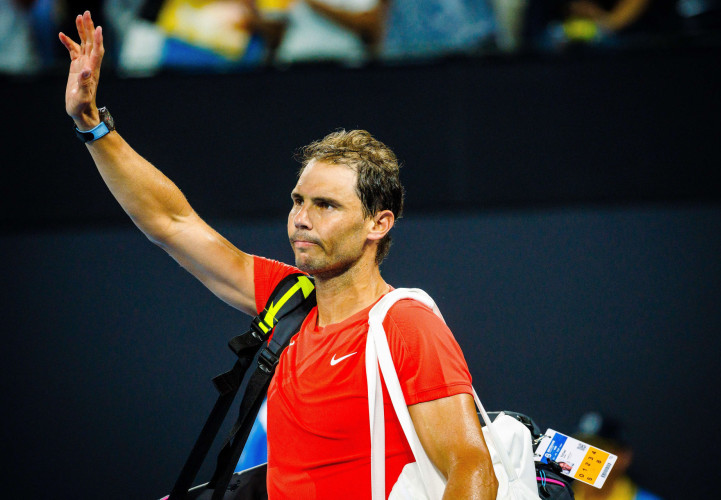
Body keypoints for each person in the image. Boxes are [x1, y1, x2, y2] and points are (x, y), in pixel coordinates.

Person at [58, 11, 498, 499]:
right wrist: (93, 126)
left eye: (326, 205)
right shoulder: (287, 298)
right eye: (298, 201)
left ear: (379, 223)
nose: (301, 219)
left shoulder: (405, 325)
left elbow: (472, 471)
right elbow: (172, 223)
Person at [572, 412, 663, 500]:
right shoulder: (561, 494)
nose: (586, 457)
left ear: (623, 457)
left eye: (599, 448)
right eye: (581, 447)